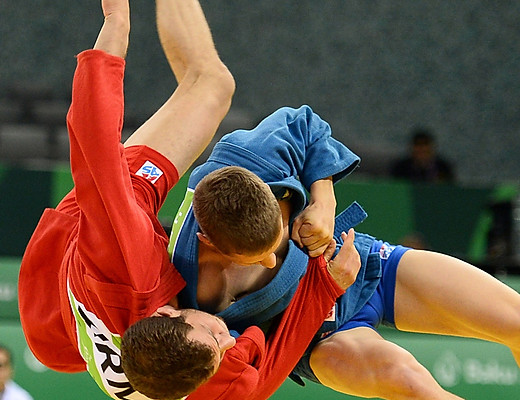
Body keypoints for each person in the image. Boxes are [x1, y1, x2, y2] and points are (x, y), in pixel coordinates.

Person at [170, 107, 520, 400]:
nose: (274, 260)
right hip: (317, 336)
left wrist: (324, 201)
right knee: (414, 386)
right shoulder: (178, 287)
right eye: (257, 258)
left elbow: (308, 127)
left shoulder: (248, 158)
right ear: (210, 241)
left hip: (367, 267)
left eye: (278, 240)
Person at [17, 1, 362, 400]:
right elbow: (263, 378)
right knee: (207, 85)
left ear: (168, 312)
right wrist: (326, 287)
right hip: (55, 336)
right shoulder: (203, 372)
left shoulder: (127, 261)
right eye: (221, 349)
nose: (229, 338)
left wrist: (115, 27)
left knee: (212, 85)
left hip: (79, 253)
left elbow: (93, 146)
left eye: (215, 335)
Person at [390, 127, 455, 183]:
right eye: (418, 145)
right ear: (411, 148)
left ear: (432, 147)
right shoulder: (400, 168)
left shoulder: (443, 168)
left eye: (425, 144)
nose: (422, 149)